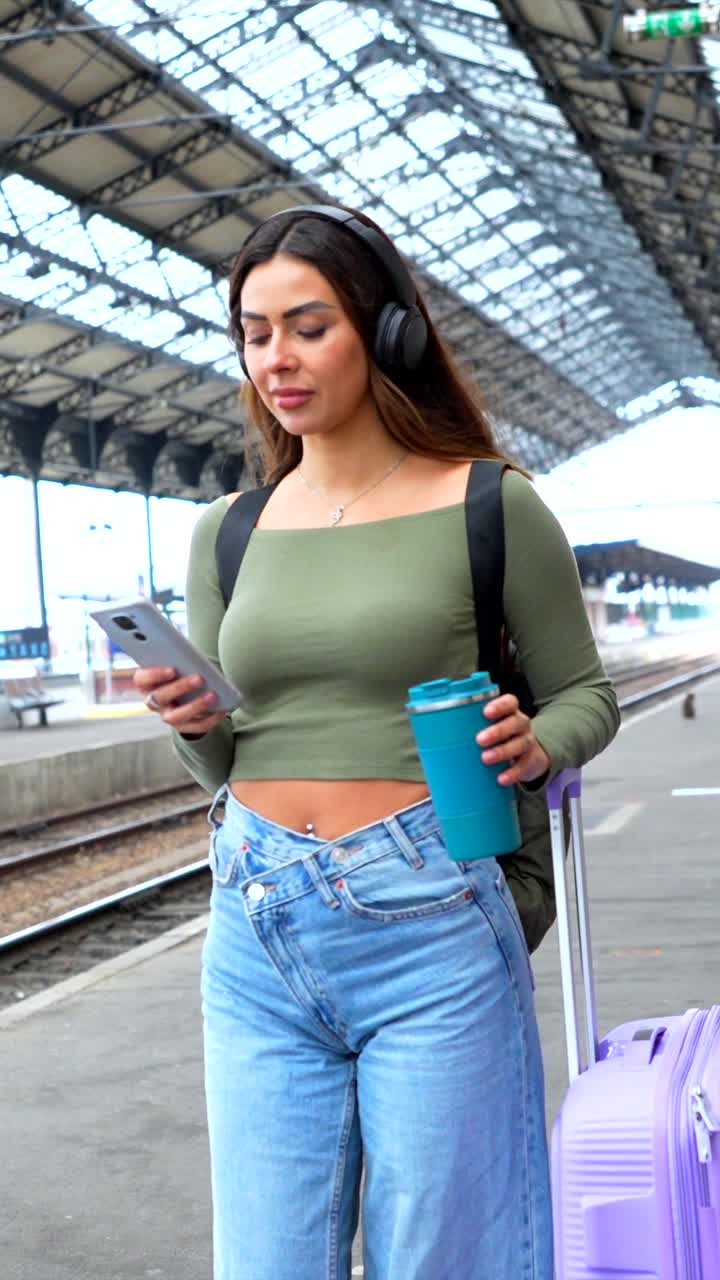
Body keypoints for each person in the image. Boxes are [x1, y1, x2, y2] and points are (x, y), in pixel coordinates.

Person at [135, 205, 620, 1280]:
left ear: (387, 331)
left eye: (309, 327)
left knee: (445, 1256)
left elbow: (586, 694)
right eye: (256, 333)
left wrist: (536, 743)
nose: (277, 358)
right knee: (267, 1261)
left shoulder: (490, 503)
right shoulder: (228, 531)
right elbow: (221, 759)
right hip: (254, 918)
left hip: (432, 917)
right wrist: (194, 724)